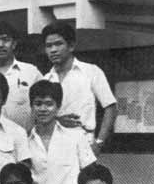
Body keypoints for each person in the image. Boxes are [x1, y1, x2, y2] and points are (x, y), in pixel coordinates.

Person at [27, 80, 96, 184]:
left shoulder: (75, 137)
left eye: (49, 104)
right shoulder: (25, 142)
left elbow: (92, 174)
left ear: (58, 107)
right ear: (31, 107)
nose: (43, 109)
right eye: (38, 104)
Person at [42, 22, 117, 155]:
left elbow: (110, 107)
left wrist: (99, 142)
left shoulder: (91, 72)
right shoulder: (45, 79)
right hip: (53, 145)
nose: (53, 50)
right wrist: (57, 120)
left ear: (71, 46)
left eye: (58, 44)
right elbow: (38, 116)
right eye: (49, 46)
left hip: (84, 144)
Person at [0, 21, 42, 131]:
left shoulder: (31, 72)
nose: (1, 45)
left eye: (6, 40)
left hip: (25, 138)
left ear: (14, 44)